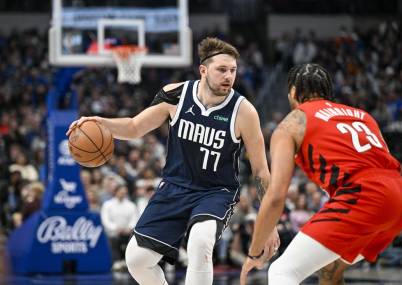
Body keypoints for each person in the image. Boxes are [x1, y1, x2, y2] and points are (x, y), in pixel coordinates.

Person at [67, 37, 279, 285]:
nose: (228, 76)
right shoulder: (176, 95)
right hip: (175, 186)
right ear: (203, 70)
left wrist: (270, 223)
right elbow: (135, 127)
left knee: (200, 241)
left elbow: (261, 171)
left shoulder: (244, 112)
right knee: (136, 259)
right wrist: (100, 122)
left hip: (215, 192)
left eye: (232, 70)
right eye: (222, 69)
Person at [240, 63, 402, 284]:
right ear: (328, 91)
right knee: (330, 270)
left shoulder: (291, 124)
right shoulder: (363, 116)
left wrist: (254, 253)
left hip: (365, 198)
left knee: (281, 272)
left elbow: (276, 196)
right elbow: (390, 182)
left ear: (292, 93)